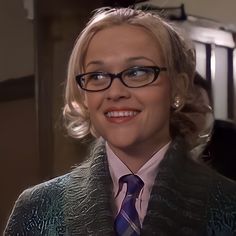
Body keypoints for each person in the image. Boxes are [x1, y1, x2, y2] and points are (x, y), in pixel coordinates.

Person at [4, 7, 236, 235]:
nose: (115, 92)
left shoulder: (228, 205)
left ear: (178, 87)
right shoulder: (36, 209)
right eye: (97, 76)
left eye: (136, 72)